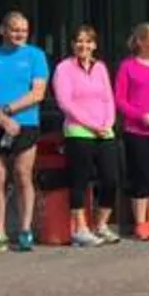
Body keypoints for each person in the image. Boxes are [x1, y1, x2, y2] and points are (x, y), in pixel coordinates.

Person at [0, 9, 49, 253]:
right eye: (14, 29)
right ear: (2, 30)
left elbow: (38, 92)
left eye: (24, 30)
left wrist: (9, 109)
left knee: (23, 174)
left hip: (26, 122)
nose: (19, 34)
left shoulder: (35, 56)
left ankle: (25, 230)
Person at [52, 25, 123, 248]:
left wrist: (108, 122)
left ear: (94, 44)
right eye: (79, 41)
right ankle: (80, 229)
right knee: (79, 182)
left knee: (111, 179)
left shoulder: (100, 67)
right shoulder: (64, 68)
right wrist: (91, 125)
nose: (84, 46)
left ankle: (101, 224)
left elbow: (108, 98)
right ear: (73, 44)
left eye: (88, 41)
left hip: (105, 132)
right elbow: (65, 102)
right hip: (79, 132)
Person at [115, 23, 149, 241]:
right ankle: (140, 222)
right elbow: (120, 99)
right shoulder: (127, 66)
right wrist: (141, 116)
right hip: (136, 130)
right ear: (140, 41)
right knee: (142, 176)